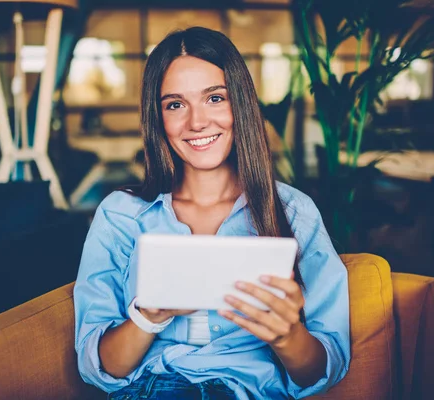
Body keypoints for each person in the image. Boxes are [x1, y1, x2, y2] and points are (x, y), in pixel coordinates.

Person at [74, 27, 350, 400]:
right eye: (175, 104)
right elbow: (99, 368)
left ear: (240, 103)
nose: (197, 122)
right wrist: (149, 316)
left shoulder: (293, 212)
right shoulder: (120, 215)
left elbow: (323, 369)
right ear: (158, 118)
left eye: (215, 98)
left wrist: (288, 336)